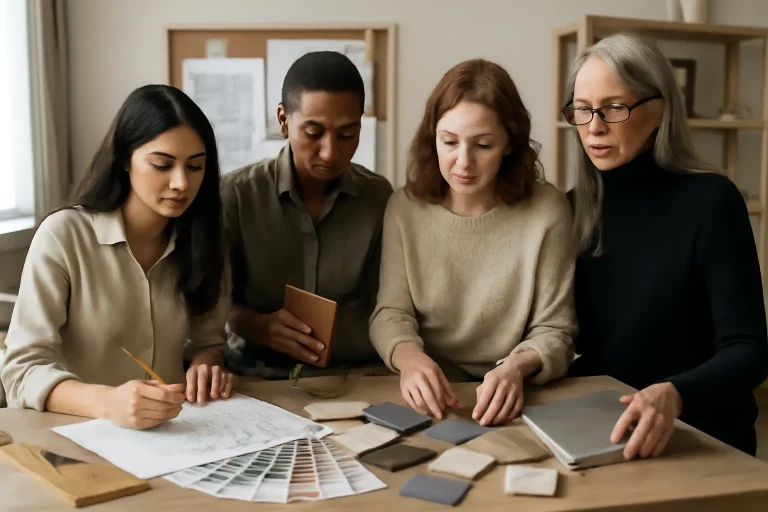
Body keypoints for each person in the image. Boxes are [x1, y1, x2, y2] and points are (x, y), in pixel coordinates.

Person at [564, 33, 768, 457]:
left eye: (615, 108)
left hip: (701, 431)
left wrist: (675, 392)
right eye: (582, 110)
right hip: (602, 428)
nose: (595, 127)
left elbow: (749, 350)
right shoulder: (571, 208)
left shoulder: (712, 200)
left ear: (660, 110)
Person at [1, 84, 233, 429]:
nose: (181, 183)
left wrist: (206, 362)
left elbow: (209, 340)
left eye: (195, 167)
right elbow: (21, 371)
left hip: (178, 436)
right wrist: (107, 403)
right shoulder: (64, 236)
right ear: (125, 159)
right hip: (74, 438)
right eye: (162, 164)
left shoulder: (205, 240)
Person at [369, 59, 577, 426]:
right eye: (449, 142)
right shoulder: (404, 208)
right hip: (430, 392)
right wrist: (410, 360)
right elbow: (390, 314)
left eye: (482, 145)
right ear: (431, 136)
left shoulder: (548, 211)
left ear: (509, 144)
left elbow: (555, 330)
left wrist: (515, 368)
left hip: (515, 392)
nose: (462, 162)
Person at [223, 51, 393, 378]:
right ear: (284, 121)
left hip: (355, 376)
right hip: (257, 375)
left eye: (347, 134)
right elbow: (209, 307)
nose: (330, 152)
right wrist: (255, 325)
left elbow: (390, 305)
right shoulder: (237, 195)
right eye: (314, 133)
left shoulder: (379, 198)